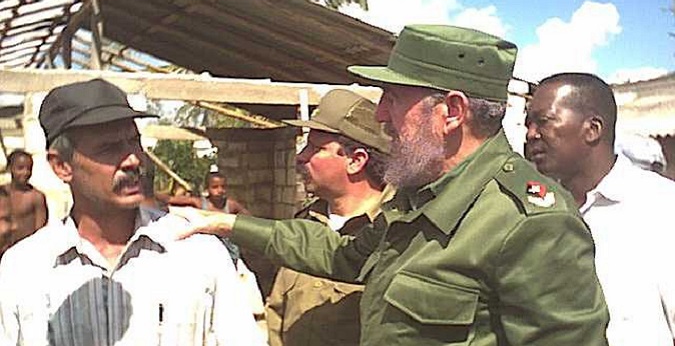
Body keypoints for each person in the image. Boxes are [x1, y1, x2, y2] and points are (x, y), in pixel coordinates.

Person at [172, 25, 610, 345]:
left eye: (394, 99)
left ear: (452, 112)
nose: (381, 116)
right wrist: (226, 224)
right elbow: (342, 255)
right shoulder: (416, 198)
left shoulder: (529, 223)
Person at [0, 79, 264, 345]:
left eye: (134, 142)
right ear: (62, 166)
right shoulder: (24, 269)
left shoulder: (198, 253)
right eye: (109, 148)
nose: (133, 160)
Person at [525, 72, 675, 346]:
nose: (531, 134)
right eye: (529, 124)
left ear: (592, 129)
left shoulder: (662, 209)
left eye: (543, 121)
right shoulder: (535, 208)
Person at [265, 89, 392, 346]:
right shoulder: (305, 223)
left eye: (316, 148)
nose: (301, 156)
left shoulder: (393, 233)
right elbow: (277, 311)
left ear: (356, 161)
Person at [0, 150, 48, 257]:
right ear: (10, 168)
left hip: (26, 252)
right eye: (20, 168)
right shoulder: (2, 193)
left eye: (29, 169)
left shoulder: (36, 197)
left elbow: (41, 232)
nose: (25, 172)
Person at [163, 172, 248, 214]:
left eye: (223, 186)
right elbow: (169, 199)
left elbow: (250, 219)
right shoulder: (200, 203)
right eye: (215, 187)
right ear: (207, 189)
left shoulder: (231, 205)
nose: (220, 190)